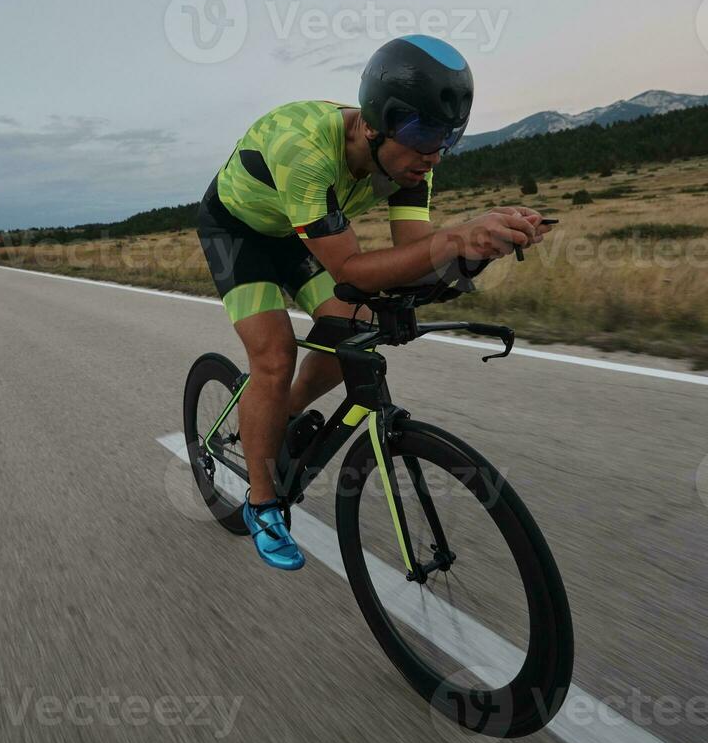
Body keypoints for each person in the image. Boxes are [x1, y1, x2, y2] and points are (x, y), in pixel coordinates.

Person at [196, 35, 550, 570]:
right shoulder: (306, 151)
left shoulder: (412, 161)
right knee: (273, 357)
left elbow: (412, 258)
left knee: (352, 328)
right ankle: (262, 503)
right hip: (238, 234)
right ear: (371, 125)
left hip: (296, 233)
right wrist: (453, 239)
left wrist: (477, 250)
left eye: (446, 139)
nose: (432, 157)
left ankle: (280, 417)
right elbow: (352, 270)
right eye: (423, 137)